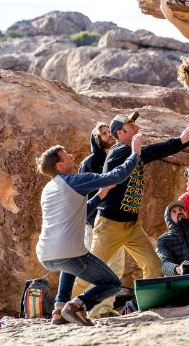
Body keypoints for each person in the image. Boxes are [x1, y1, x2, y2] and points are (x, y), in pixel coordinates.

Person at [75, 110, 189, 291]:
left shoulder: (132, 152)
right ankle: (66, 307)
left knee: (153, 265)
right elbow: (157, 150)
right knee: (93, 272)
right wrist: (187, 137)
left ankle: (148, 303)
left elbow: (160, 151)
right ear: (121, 133)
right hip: (110, 225)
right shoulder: (119, 152)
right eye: (131, 125)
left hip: (132, 225)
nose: (137, 127)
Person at [36, 134, 142, 326]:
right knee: (113, 284)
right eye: (66, 155)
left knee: (68, 267)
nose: (71, 155)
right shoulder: (75, 180)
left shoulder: (49, 188)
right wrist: (134, 154)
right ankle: (77, 305)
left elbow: (80, 214)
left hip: (46, 255)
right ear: (59, 166)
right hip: (68, 253)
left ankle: (59, 311)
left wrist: (101, 195)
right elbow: (117, 175)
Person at [76, 122, 126, 318]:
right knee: (96, 269)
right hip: (94, 222)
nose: (109, 135)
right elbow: (81, 194)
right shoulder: (89, 163)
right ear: (97, 139)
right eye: (104, 133)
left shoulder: (118, 158)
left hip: (116, 220)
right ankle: (89, 311)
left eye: (109, 132)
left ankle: (105, 309)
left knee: (116, 267)